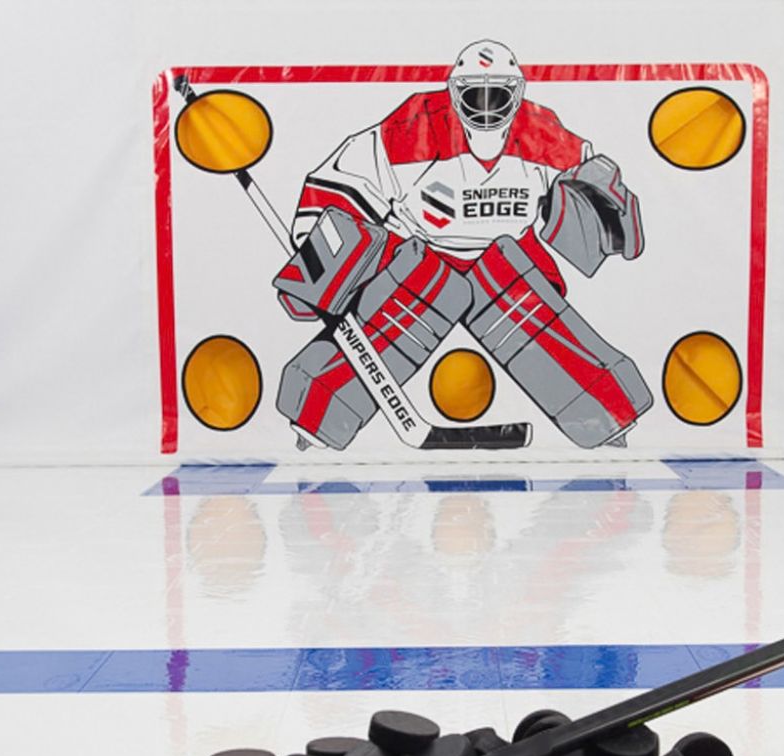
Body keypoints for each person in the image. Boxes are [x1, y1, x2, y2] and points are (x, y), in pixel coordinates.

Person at [275, 39, 653, 450]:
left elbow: (586, 180)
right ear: (455, 93)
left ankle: (608, 419)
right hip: (424, 251)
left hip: (504, 254)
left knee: (536, 321)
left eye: (498, 95)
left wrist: (600, 207)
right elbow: (340, 180)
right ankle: (314, 419)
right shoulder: (411, 128)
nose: (486, 107)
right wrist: (318, 259)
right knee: (407, 308)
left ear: (518, 93)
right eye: (475, 95)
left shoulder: (545, 135)